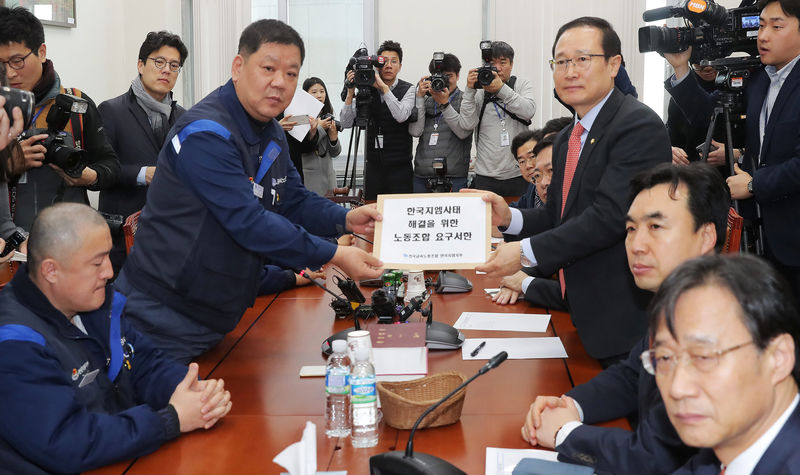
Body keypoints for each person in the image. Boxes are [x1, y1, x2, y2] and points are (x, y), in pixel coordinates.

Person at [117, 19, 383, 363]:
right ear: (238, 67)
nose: (280, 83)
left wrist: (347, 219)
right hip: (160, 320)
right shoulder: (205, 134)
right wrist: (335, 255)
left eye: (291, 73)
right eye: (268, 68)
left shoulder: (270, 130)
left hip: (216, 316)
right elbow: (249, 222)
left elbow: (292, 199)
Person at [474, 17, 672, 365]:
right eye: (561, 62)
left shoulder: (637, 125)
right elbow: (559, 215)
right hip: (584, 310)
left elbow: (610, 217)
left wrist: (523, 252)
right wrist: (510, 218)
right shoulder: (568, 137)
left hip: (624, 315)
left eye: (582, 59)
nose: (570, 71)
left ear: (614, 65)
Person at [520, 162, 729, 474]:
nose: (637, 245)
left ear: (706, 236)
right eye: (631, 229)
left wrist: (565, 433)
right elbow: (633, 374)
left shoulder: (721, 326)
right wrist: (568, 406)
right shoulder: (679, 302)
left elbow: (657, 456)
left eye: (656, 227)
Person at [0, 202, 232, 474]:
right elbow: (65, 442)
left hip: (121, 456)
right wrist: (171, 420)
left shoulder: (92, 303)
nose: (109, 272)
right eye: (97, 262)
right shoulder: (14, 345)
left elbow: (146, 363)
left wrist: (194, 393)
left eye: (109, 257)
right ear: (51, 270)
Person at [665, 0, 800, 300]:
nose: (763, 35)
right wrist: (680, 67)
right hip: (763, 238)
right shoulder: (762, 78)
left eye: (777, 26)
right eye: (761, 25)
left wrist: (753, 183)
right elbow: (708, 113)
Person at [647, 254, 800, 474]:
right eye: (665, 358)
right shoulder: (725, 450)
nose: (677, 388)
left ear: (778, 358)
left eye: (704, 357)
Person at [0, 7, 119, 231]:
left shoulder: (76, 104)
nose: (10, 73)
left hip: (71, 242)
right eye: (0, 64)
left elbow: (110, 165)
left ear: (41, 52)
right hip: (9, 251)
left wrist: (90, 176)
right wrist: (6, 166)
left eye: (17, 60)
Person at [98, 31, 188, 276]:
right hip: (124, 235)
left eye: (174, 65)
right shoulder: (111, 111)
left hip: (169, 234)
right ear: (140, 65)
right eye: (159, 62)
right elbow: (101, 171)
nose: (166, 70)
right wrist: (142, 174)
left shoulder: (182, 116)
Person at [494, 135, 563, 310]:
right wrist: (519, 277)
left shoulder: (591, 215)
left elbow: (577, 295)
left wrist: (524, 282)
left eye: (552, 171)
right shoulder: (535, 188)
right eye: (539, 175)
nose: (544, 182)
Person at [459, 41, 536, 196]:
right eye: (492, 63)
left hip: (517, 173)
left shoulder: (521, 85)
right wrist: (469, 90)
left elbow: (528, 111)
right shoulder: (480, 92)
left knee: (518, 218)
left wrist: (501, 89)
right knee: (488, 220)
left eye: (503, 62)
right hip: (486, 176)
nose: (498, 68)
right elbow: (466, 124)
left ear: (511, 64)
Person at [341, 40, 415, 199]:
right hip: (373, 166)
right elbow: (346, 123)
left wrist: (384, 88)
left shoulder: (409, 89)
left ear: (400, 66)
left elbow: (401, 116)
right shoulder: (365, 88)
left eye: (394, 61)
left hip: (400, 167)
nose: (389, 65)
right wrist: (350, 92)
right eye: (384, 61)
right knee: (372, 213)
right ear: (377, 65)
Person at [409, 52, 473, 192]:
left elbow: (463, 133)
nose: (444, 81)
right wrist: (419, 98)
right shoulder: (425, 101)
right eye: (439, 77)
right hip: (422, 175)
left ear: (458, 76)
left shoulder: (465, 100)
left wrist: (444, 104)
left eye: (448, 76)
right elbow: (415, 131)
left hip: (453, 176)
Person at [300, 77, 341, 196]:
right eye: (314, 92)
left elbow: (335, 153)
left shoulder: (327, 116)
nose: (319, 95)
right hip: (310, 180)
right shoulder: (300, 118)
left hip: (329, 179)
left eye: (322, 91)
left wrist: (334, 138)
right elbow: (305, 145)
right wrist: (320, 127)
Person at [508, 129, 544, 209]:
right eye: (522, 161)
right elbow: (518, 207)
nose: (528, 165)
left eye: (532, 156)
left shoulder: (558, 188)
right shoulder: (533, 186)